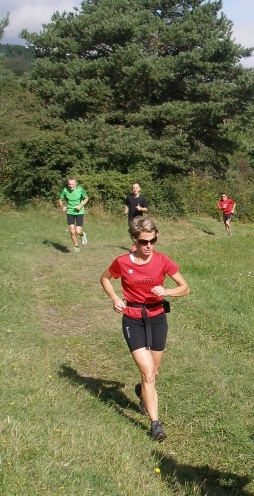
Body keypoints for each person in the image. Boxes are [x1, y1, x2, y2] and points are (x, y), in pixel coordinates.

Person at [100, 217, 190, 442]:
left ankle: (142, 391)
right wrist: (114, 298)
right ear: (134, 240)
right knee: (148, 373)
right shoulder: (122, 262)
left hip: (157, 318)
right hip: (133, 320)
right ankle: (155, 425)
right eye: (143, 242)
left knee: (154, 373)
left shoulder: (162, 260)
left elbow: (185, 288)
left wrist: (167, 291)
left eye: (153, 240)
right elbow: (105, 279)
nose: (149, 246)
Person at [58, 177, 89, 252]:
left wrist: (80, 206)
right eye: (69, 184)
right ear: (67, 184)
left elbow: (86, 198)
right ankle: (76, 247)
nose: (71, 186)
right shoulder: (65, 190)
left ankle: (82, 234)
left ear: (75, 183)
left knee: (78, 231)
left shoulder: (80, 189)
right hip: (70, 212)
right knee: (72, 231)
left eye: (72, 184)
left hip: (79, 212)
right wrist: (62, 206)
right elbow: (60, 199)